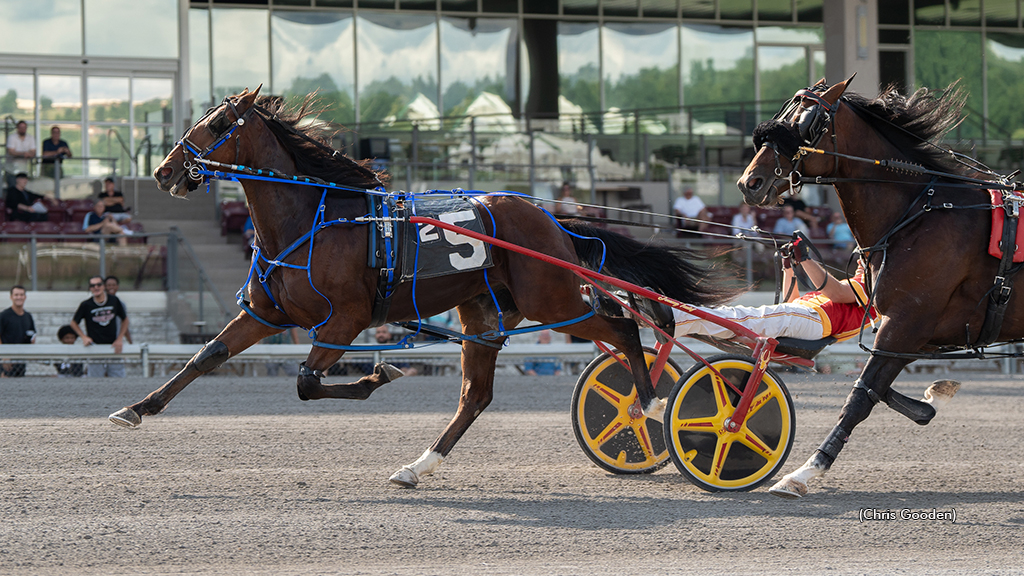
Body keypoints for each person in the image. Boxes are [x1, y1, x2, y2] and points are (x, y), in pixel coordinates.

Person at [670, 243, 875, 344]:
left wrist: (805, 259)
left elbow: (837, 294)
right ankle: (678, 320)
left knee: (741, 318)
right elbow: (792, 302)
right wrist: (789, 267)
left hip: (817, 322)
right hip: (809, 319)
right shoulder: (858, 284)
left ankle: (674, 317)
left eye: (863, 257)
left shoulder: (873, 284)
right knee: (737, 319)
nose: (858, 260)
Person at [70, 275, 130, 377]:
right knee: (95, 380)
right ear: (90, 288)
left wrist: (119, 339)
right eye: (93, 285)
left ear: (103, 286)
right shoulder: (86, 305)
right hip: (95, 347)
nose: (96, 287)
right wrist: (84, 337)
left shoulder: (114, 300)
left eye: (99, 284)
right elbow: (74, 323)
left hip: (113, 347)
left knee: (119, 378)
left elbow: (125, 320)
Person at [0, 285, 36, 377]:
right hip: (6, 361)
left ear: (25, 297)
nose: (19, 297)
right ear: (11, 297)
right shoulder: (4, 316)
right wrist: (4, 356)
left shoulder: (28, 317)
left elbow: (32, 335)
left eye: (21, 295)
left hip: (21, 361)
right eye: (16, 295)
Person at [104, 276, 132, 344]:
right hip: (100, 342)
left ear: (117, 286)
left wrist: (130, 342)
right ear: (104, 287)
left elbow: (124, 324)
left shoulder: (121, 304)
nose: (111, 287)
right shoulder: (99, 303)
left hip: (115, 342)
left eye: (114, 285)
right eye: (109, 285)